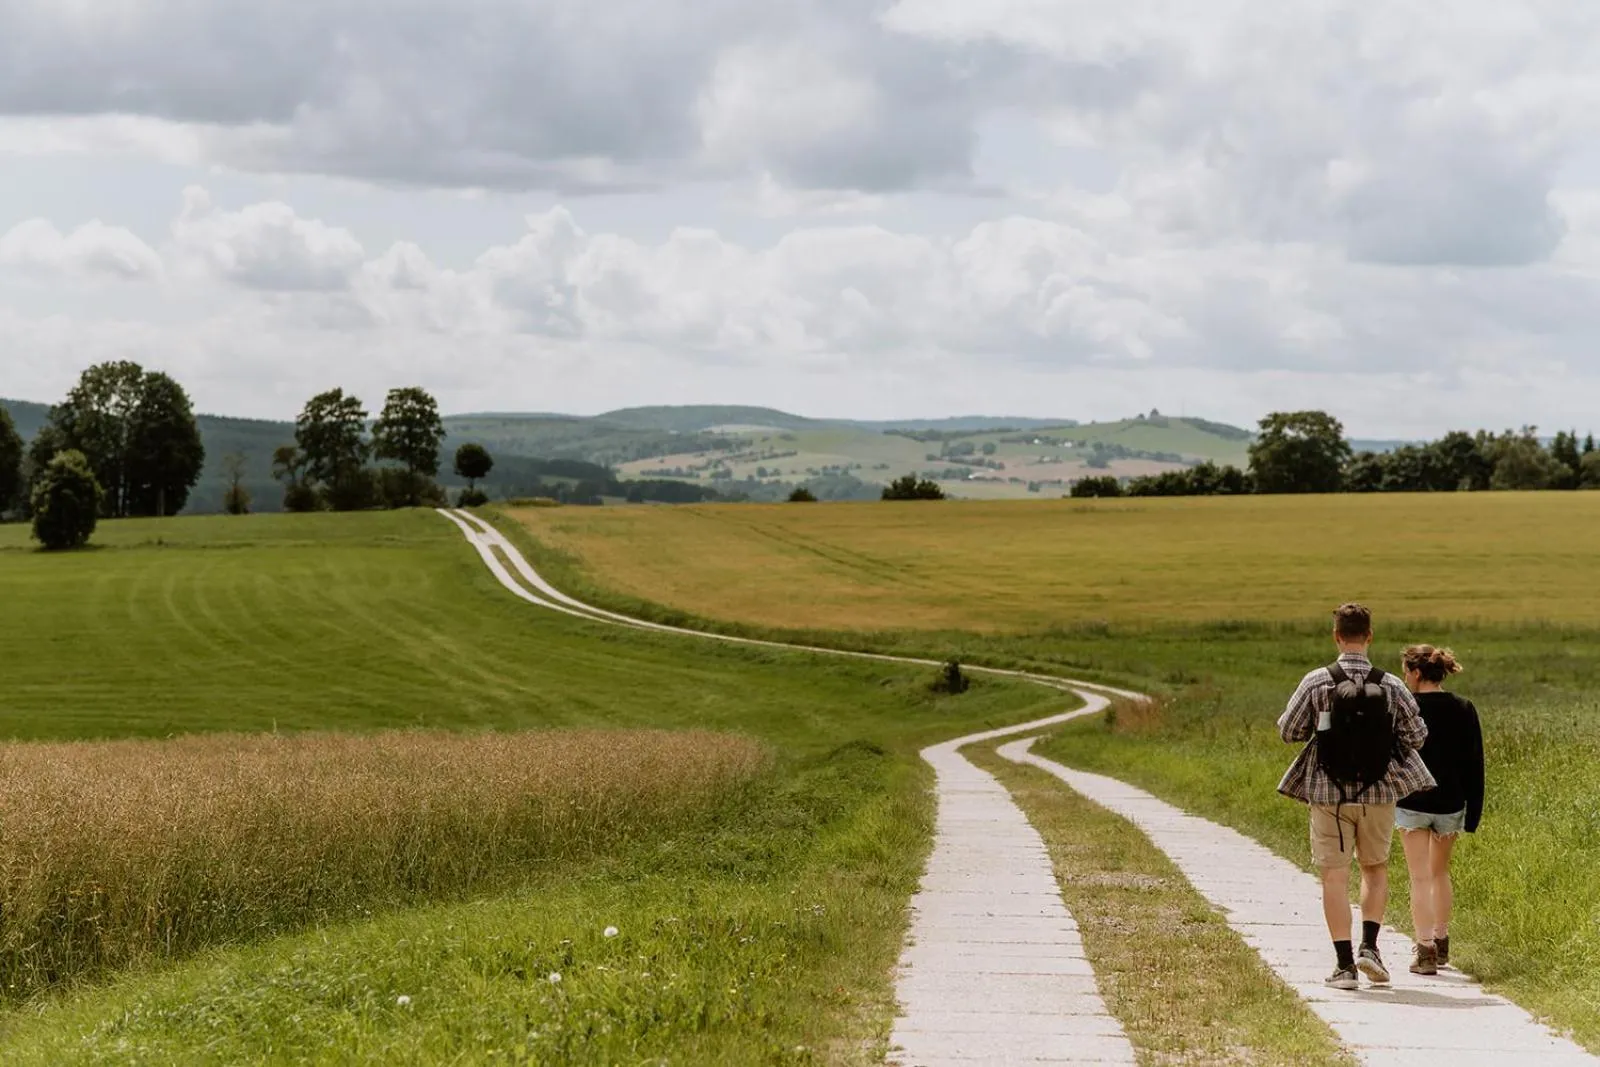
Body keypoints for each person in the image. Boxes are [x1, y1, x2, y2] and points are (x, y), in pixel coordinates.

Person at [1278, 603, 1434, 990]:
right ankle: (1370, 947)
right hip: (1380, 793)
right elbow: (1417, 737)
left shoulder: (1317, 681)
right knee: (1374, 868)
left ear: (1336, 636)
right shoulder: (1392, 685)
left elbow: (1289, 731)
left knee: (1334, 876)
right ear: (1370, 636)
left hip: (1328, 795)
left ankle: (1344, 965)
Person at [1396, 645, 1484, 976]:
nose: (1405, 678)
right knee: (1439, 873)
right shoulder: (1464, 708)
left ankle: (1425, 951)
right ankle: (1442, 939)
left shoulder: (1407, 709)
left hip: (1412, 802)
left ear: (1417, 673)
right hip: (1451, 803)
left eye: (1406, 672)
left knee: (1419, 877)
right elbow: (1475, 764)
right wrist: (1473, 811)